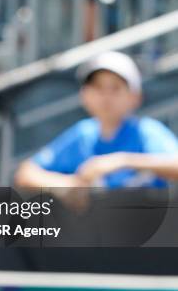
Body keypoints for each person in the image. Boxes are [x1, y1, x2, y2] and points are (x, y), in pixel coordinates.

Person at [15, 51, 178, 189]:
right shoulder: (83, 134)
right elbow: (26, 173)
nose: (106, 97)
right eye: (98, 87)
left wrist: (123, 161)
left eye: (115, 88)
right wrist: (69, 186)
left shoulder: (146, 132)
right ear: (84, 95)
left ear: (135, 97)